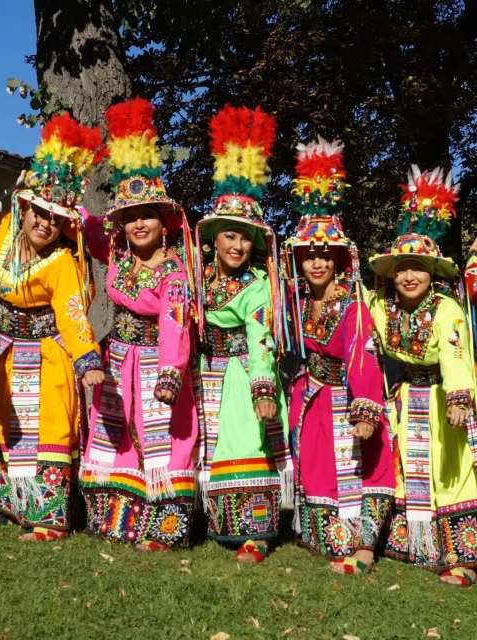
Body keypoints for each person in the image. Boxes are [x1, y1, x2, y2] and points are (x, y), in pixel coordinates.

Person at [0, 112, 104, 542]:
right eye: (39, 212)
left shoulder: (63, 261)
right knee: (6, 420)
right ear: (24, 207)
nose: (45, 223)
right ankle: (14, 505)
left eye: (55, 218)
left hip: (47, 352)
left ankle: (49, 518)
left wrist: (86, 359)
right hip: (5, 347)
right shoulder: (3, 230)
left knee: (48, 425)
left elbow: (71, 312)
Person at [80, 97, 201, 551]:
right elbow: (88, 230)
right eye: (129, 217)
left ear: (164, 221)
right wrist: (66, 194)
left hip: (158, 363)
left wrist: (170, 373)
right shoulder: (116, 256)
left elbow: (175, 325)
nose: (138, 224)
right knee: (115, 431)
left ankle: (163, 527)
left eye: (147, 214)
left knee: (163, 438)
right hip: (118, 359)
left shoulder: (174, 274)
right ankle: (116, 519)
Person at [282, 137, 395, 575]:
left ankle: (363, 548)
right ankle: (320, 534)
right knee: (315, 467)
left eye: (325, 255)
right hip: (310, 396)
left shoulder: (353, 305)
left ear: (339, 259)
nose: (316, 263)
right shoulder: (291, 300)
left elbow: (363, 356)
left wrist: (366, 407)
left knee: (357, 465)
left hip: (345, 398)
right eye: (309, 255)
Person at [367, 166, 477, 587]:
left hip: (444, 399)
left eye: (418, 267)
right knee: (407, 471)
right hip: (405, 397)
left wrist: (459, 400)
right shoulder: (382, 306)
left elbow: (454, 355)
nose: (409, 276)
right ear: (391, 273)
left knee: (453, 470)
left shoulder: (447, 309)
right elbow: (356, 312)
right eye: (402, 268)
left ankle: (464, 557)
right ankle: (418, 545)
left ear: (433, 272)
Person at [195, 105, 291, 563]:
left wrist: (261, 386)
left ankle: (253, 531)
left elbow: (261, 338)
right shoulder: (193, 276)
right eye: (229, 236)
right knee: (202, 444)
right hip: (202, 371)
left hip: (238, 374)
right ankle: (207, 520)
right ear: (213, 238)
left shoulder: (257, 287)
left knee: (241, 440)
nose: (236, 246)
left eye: (245, 238)